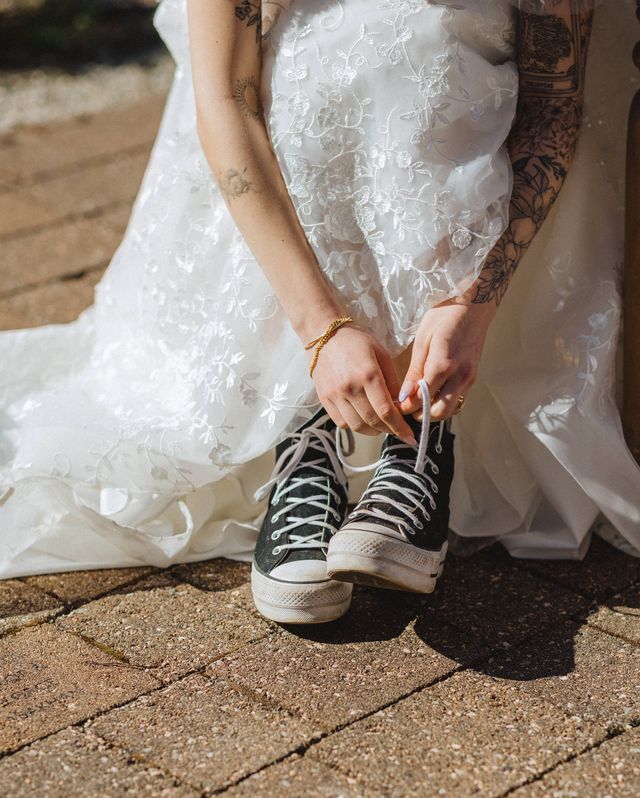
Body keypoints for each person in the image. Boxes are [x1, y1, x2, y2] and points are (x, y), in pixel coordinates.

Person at [0, 0, 637, 624]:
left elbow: (553, 109)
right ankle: (305, 427)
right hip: (287, 155)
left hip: (468, 141)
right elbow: (224, 99)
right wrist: (321, 330)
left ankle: (420, 424)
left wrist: (472, 303)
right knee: (320, 64)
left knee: (423, 53)